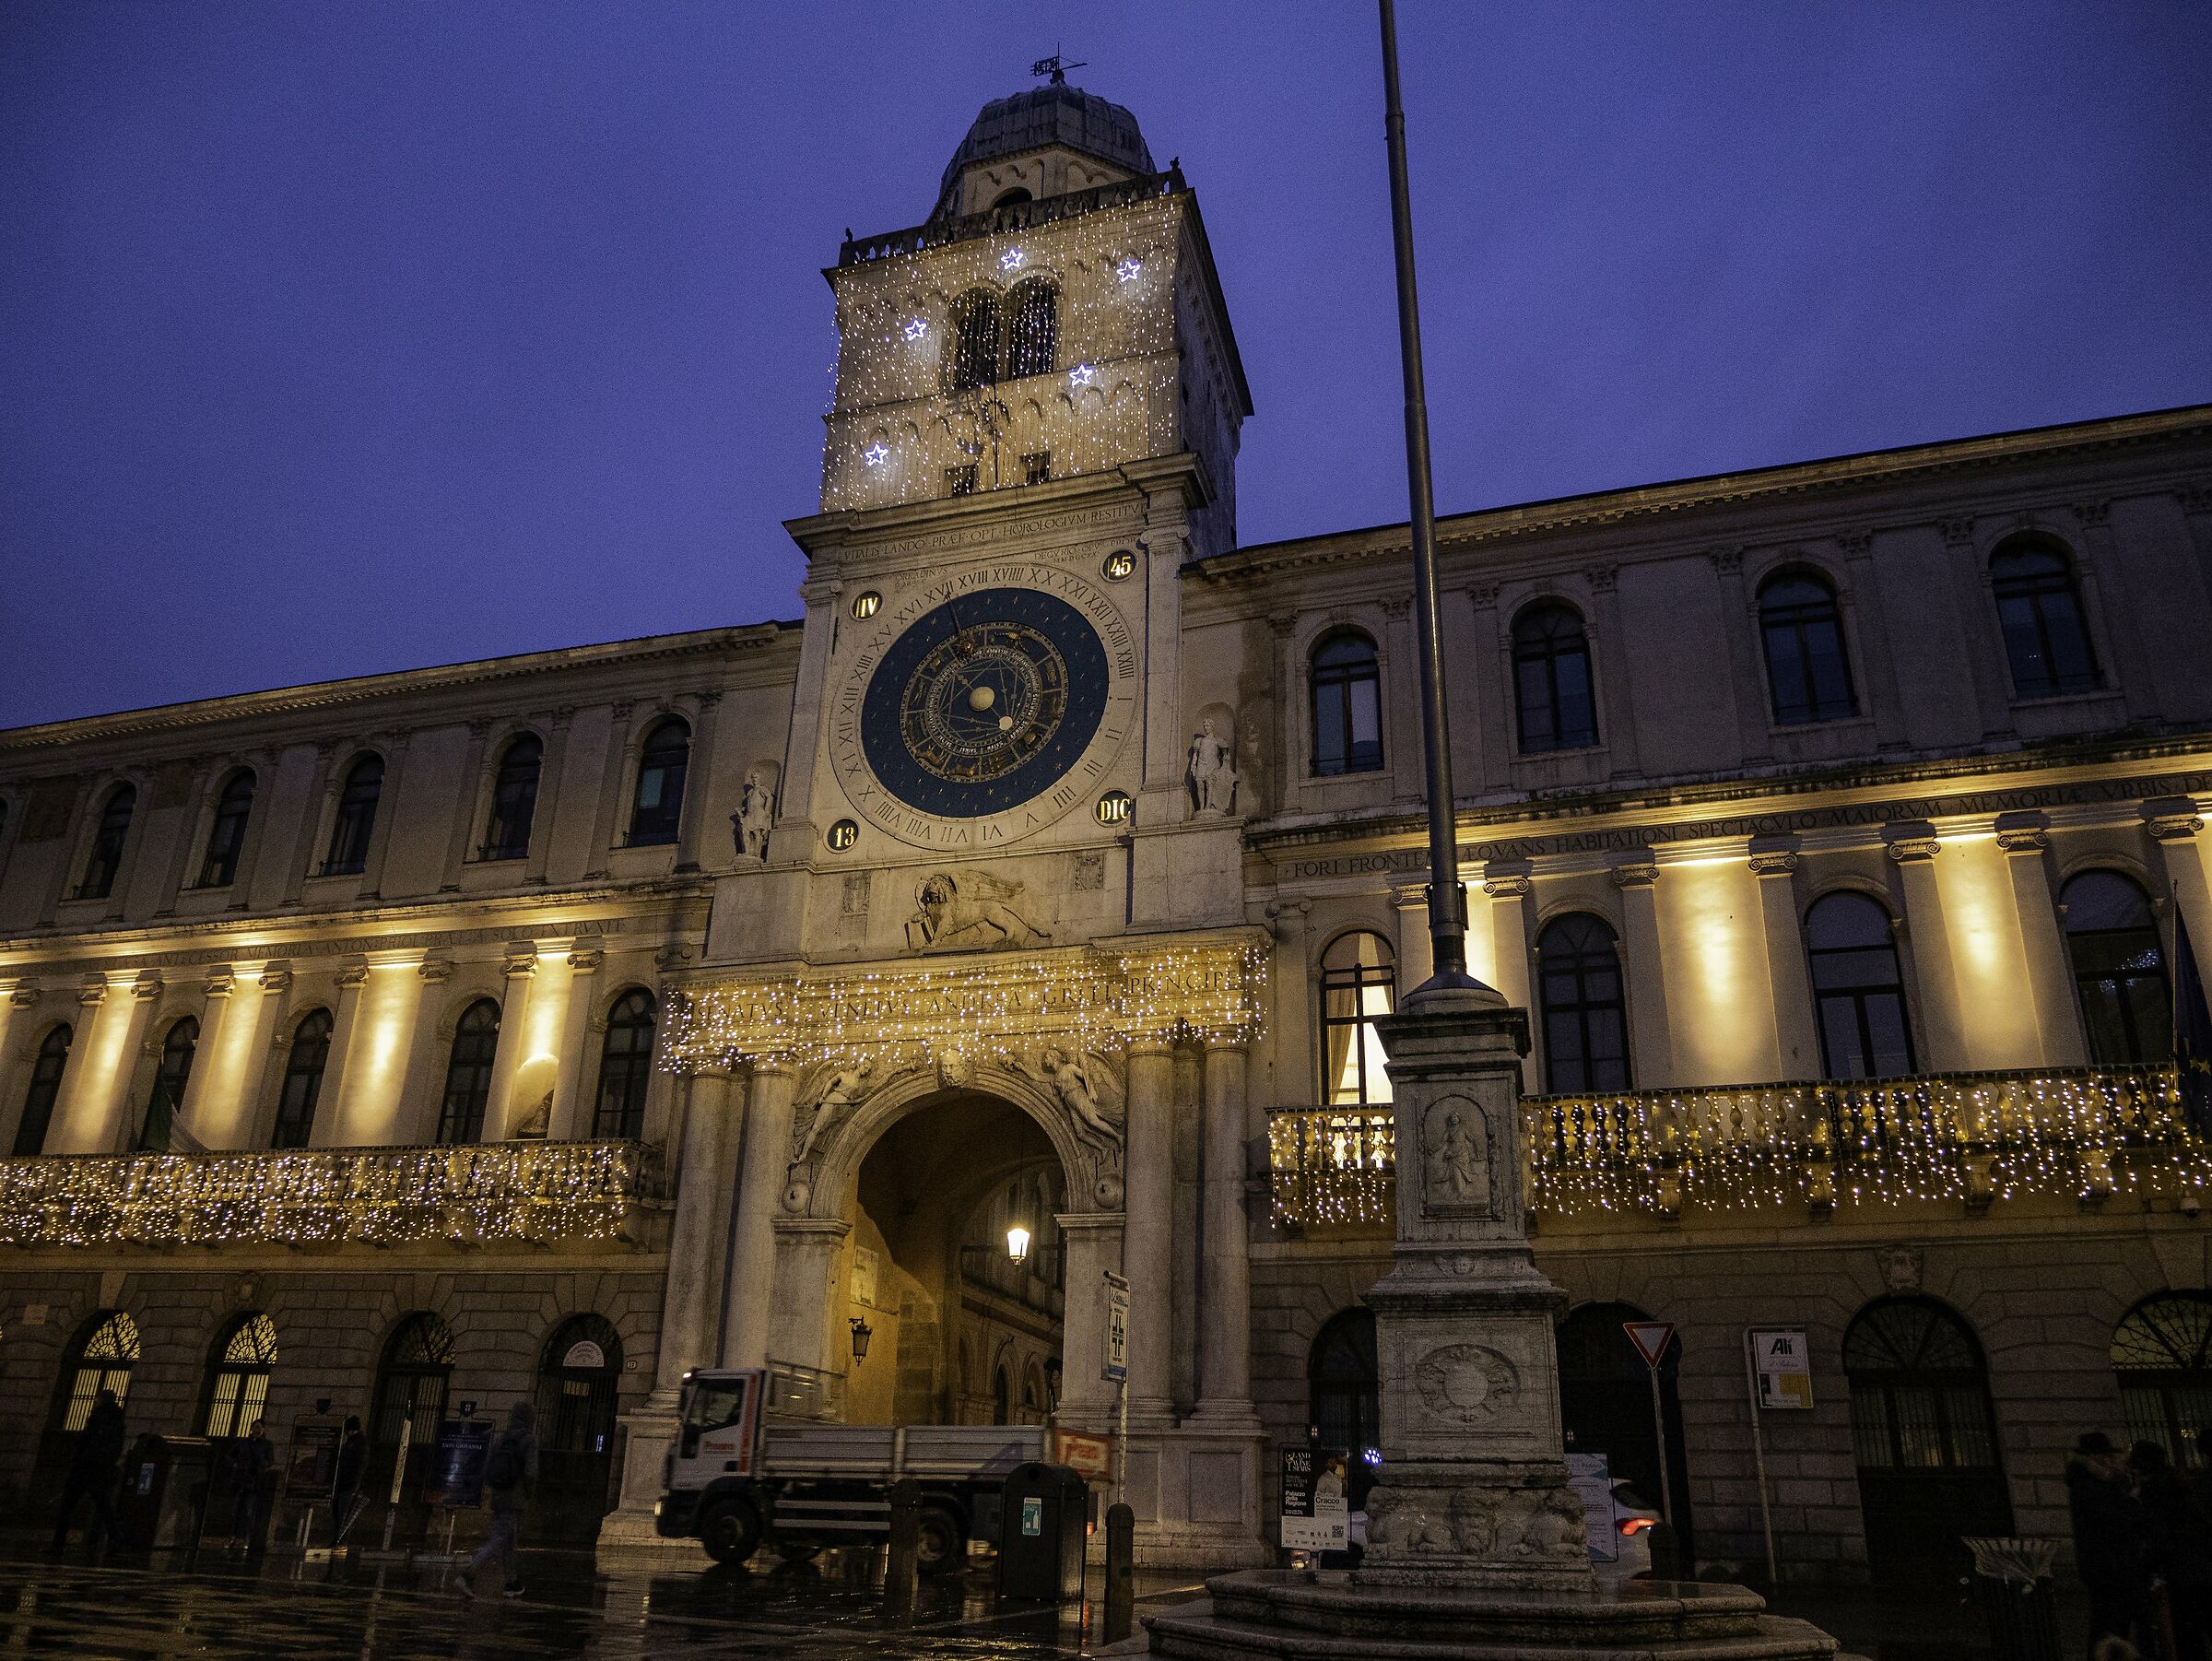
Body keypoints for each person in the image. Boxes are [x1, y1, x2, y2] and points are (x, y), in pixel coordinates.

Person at [2070, 1431, 2149, 1656]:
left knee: (2111, 1625)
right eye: (2106, 1456)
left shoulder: (2095, 1483)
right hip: (2107, 1567)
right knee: (2109, 1626)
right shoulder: (2091, 1486)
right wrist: (2131, 1499)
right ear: (2094, 1457)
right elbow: (2116, 1520)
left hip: (2110, 1566)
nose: (2111, 1460)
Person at [2131, 1440, 2212, 1661]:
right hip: (2200, 1568)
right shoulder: (2181, 1484)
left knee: (2187, 1636)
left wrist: (2144, 1566)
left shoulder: (2154, 1491)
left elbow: (2159, 1537)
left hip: (2179, 1573)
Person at [462, 1400, 537, 1600]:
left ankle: (511, 1583)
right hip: (516, 1498)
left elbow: (487, 1468)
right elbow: (530, 1473)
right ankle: (468, 1574)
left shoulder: (502, 1438)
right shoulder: (529, 1440)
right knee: (499, 1538)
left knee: (508, 1541)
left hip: (499, 1496)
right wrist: (528, 1494)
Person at [49, 1388, 126, 1555]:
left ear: (101, 1400)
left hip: (85, 1468)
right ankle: (115, 1536)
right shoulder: (117, 1419)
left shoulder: (99, 1417)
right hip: (100, 1469)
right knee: (103, 1505)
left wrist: (80, 1457)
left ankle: (58, 1544)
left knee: (67, 1506)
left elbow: (86, 1440)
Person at [224, 1419, 276, 1555]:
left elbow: (270, 1461)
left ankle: (246, 1538)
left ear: (263, 1430)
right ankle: (232, 1537)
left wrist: (262, 1463)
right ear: (251, 1428)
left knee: (248, 1512)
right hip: (240, 1480)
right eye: (255, 1427)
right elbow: (230, 1455)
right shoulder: (243, 1442)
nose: (257, 1430)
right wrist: (235, 1464)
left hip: (253, 1482)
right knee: (234, 1511)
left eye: (260, 1428)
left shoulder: (266, 1445)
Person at [330, 1415, 369, 1547]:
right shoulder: (352, 1443)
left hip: (350, 1485)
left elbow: (358, 1467)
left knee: (345, 1515)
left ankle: (341, 1542)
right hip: (344, 1484)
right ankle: (338, 1540)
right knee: (340, 1514)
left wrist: (354, 1485)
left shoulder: (358, 1445)